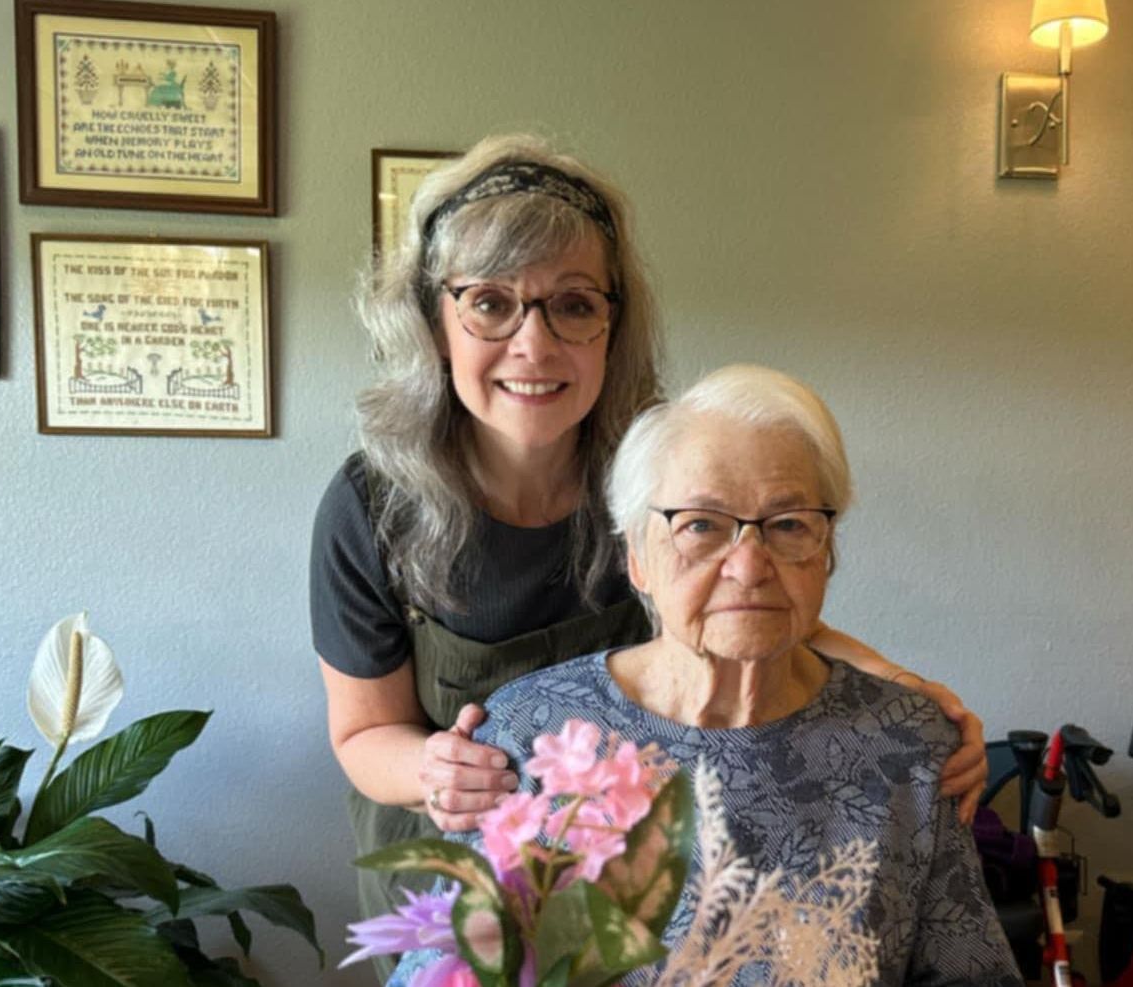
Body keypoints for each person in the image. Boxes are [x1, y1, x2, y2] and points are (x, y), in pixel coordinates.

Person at [310, 136, 990, 978]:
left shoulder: (657, 464)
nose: (534, 344)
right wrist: (437, 769)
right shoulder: (374, 505)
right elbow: (363, 728)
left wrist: (905, 695)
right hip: (469, 837)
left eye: (574, 304)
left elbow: (743, 594)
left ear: (613, 322)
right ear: (435, 321)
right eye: (490, 303)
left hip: (635, 840)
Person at [388, 365, 1022, 987]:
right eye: (700, 525)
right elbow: (444, 967)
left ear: (826, 552)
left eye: (789, 525)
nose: (748, 567)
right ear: (636, 557)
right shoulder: (533, 733)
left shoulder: (905, 744)